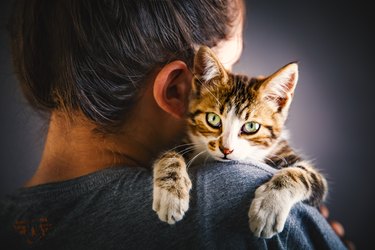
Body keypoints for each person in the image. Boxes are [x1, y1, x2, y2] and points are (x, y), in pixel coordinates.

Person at [0, 0, 350, 249]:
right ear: (176, 89)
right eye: (233, 63)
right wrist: (305, 233)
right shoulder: (236, 198)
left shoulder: (10, 223)